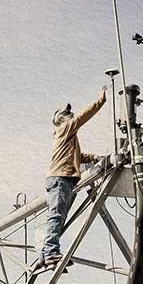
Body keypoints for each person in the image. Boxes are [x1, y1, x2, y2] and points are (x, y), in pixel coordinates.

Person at [42, 86, 107, 267]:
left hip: (64, 179)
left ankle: (44, 255)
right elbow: (82, 117)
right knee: (56, 216)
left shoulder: (68, 138)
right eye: (67, 114)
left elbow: (79, 156)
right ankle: (50, 252)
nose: (71, 115)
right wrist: (100, 100)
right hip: (61, 178)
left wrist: (96, 157)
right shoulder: (64, 129)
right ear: (61, 119)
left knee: (58, 216)